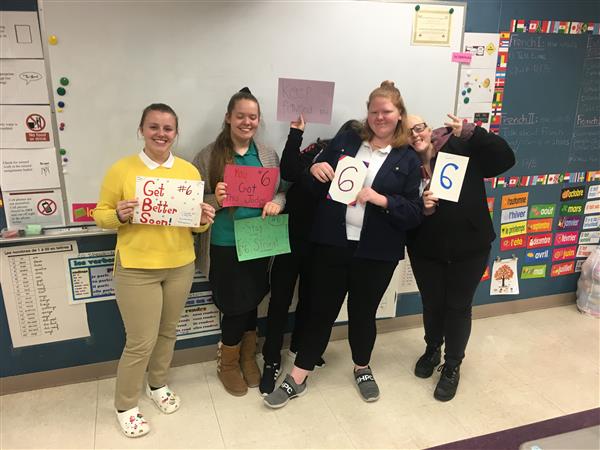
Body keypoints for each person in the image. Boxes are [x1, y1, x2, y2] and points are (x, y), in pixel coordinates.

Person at [264, 81, 423, 408]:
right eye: (374, 111)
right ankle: (298, 376)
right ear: (367, 114)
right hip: (332, 245)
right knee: (319, 311)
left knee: (363, 314)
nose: (380, 117)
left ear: (399, 114)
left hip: (376, 253)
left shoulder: (407, 158)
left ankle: (362, 367)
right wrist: (314, 167)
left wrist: (381, 199)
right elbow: (312, 182)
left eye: (386, 111)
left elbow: (413, 212)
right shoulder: (348, 140)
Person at [93, 103, 215, 437]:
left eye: (168, 128)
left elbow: (193, 227)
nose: (161, 134)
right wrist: (118, 214)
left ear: (176, 133)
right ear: (142, 130)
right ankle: (125, 405)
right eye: (154, 127)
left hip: (180, 265)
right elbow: (100, 215)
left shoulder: (188, 172)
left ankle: (157, 384)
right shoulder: (122, 169)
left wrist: (203, 220)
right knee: (140, 341)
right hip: (136, 268)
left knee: (168, 331)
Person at [405, 113, 515, 401]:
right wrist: (421, 205)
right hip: (425, 248)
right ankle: (432, 349)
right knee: (432, 303)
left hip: (470, 246)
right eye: (407, 131)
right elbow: (400, 206)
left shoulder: (460, 147)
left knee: (458, 306)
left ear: (429, 129)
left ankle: (452, 365)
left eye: (419, 128)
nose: (415, 134)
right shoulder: (402, 163)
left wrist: (471, 132)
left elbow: (505, 159)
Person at [193, 88, 285, 397]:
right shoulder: (208, 155)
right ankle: (228, 363)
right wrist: (215, 200)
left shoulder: (267, 154)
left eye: (253, 117)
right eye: (241, 116)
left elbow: (281, 191)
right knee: (234, 305)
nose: (247, 122)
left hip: (259, 240)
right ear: (228, 118)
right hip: (224, 242)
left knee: (253, 297)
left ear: (258, 120)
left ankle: (247, 356)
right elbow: (190, 201)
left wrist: (277, 203)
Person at [259, 115, 361, 395]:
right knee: (280, 298)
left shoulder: (361, 167)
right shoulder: (319, 150)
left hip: (324, 244)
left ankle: (299, 349)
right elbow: (290, 171)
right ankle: (271, 358)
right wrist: (296, 134)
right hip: (291, 236)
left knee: (311, 299)